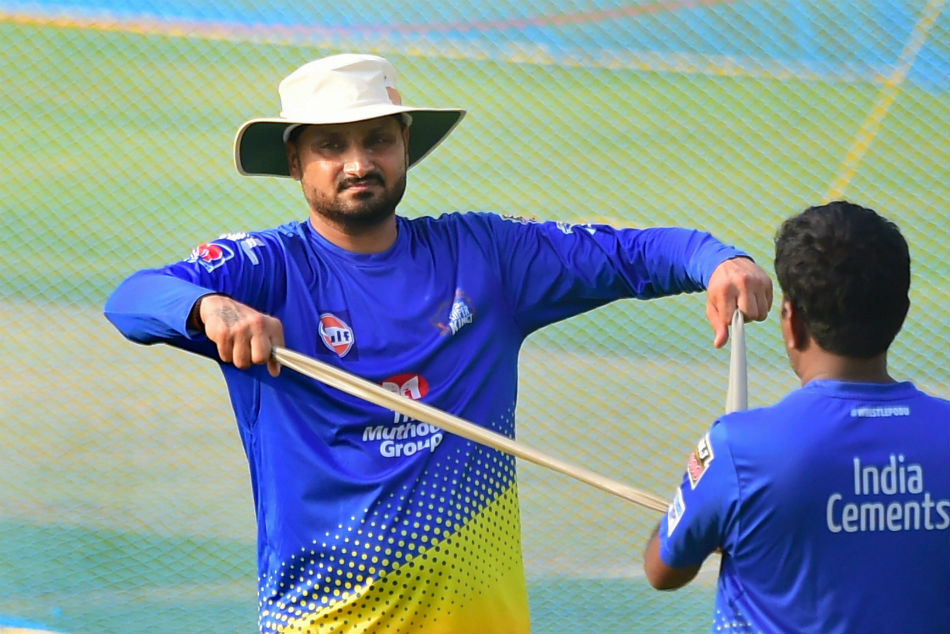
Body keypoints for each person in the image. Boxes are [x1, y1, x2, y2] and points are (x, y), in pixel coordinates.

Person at [104, 53, 772, 634]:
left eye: (377, 140)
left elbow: (629, 252)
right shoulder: (266, 268)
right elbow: (133, 298)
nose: (358, 163)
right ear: (295, 160)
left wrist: (720, 260)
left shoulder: (485, 255)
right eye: (332, 146)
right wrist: (208, 305)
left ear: (405, 146)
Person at [643, 200, 950, 633]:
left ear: (791, 321)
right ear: (901, 312)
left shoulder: (740, 449)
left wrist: (701, 510)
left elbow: (663, 568)